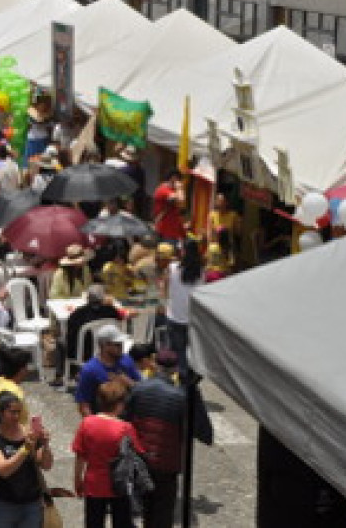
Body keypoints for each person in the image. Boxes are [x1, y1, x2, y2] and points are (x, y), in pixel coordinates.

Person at [124, 350, 213, 528]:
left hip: (140, 460)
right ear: (175, 370)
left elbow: (125, 419)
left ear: (155, 365)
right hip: (166, 464)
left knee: (144, 509)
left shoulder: (138, 389)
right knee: (162, 514)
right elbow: (204, 433)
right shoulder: (181, 396)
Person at [72, 380, 143, 528]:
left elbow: (80, 455)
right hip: (119, 484)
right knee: (122, 522)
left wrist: (78, 479)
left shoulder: (87, 423)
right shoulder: (125, 428)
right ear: (119, 404)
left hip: (93, 483)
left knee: (93, 522)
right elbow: (137, 453)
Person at [0, 392, 53, 528]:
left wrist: (45, 445)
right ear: (0, 413)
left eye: (19, 412)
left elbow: (46, 465)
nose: (16, 416)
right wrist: (25, 449)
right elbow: (3, 470)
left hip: (31, 505)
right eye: (12, 412)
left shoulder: (29, 435)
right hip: (3, 505)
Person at [54, 284, 123, 386]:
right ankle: (77, 372)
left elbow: (71, 337)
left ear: (87, 298)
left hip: (82, 353)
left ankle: (60, 376)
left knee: (61, 341)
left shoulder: (78, 314)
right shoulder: (112, 311)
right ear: (103, 298)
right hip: (106, 350)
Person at [74, 325, 141, 417]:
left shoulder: (127, 360)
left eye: (122, 343)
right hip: (104, 419)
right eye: (117, 344)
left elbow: (141, 389)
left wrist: (129, 383)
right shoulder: (90, 370)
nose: (121, 347)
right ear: (105, 346)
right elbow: (84, 405)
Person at [164, 238, 203, 372]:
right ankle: (188, 375)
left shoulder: (173, 268)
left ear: (183, 252)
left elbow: (165, 288)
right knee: (189, 351)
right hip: (191, 318)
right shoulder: (201, 273)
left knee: (176, 352)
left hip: (175, 316)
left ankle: (181, 376)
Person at [153, 169, 186, 243]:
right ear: (174, 178)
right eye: (179, 180)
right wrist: (179, 188)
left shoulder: (172, 191)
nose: (180, 183)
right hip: (166, 232)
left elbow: (180, 206)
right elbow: (181, 200)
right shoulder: (163, 190)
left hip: (173, 232)